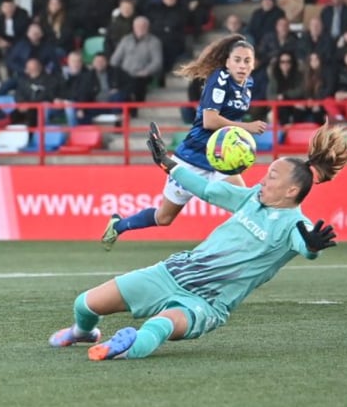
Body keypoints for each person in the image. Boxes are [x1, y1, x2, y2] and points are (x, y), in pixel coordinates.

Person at [51, 123, 347, 361]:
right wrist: (167, 163)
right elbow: (204, 189)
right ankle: (84, 333)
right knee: (86, 304)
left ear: (291, 190)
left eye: (271, 177)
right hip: (172, 273)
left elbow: (304, 245)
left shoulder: (296, 225)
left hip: (205, 302)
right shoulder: (249, 198)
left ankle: (124, 350)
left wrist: (311, 246)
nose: (261, 180)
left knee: (159, 325)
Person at [102, 35, 267, 250]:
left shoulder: (248, 84)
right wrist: (247, 127)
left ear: (254, 64)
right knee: (164, 218)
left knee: (245, 206)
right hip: (193, 157)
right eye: (237, 59)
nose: (242, 65)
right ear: (227, 62)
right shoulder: (220, 79)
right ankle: (119, 225)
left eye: (247, 61)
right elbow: (209, 120)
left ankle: (239, 253)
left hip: (220, 157)